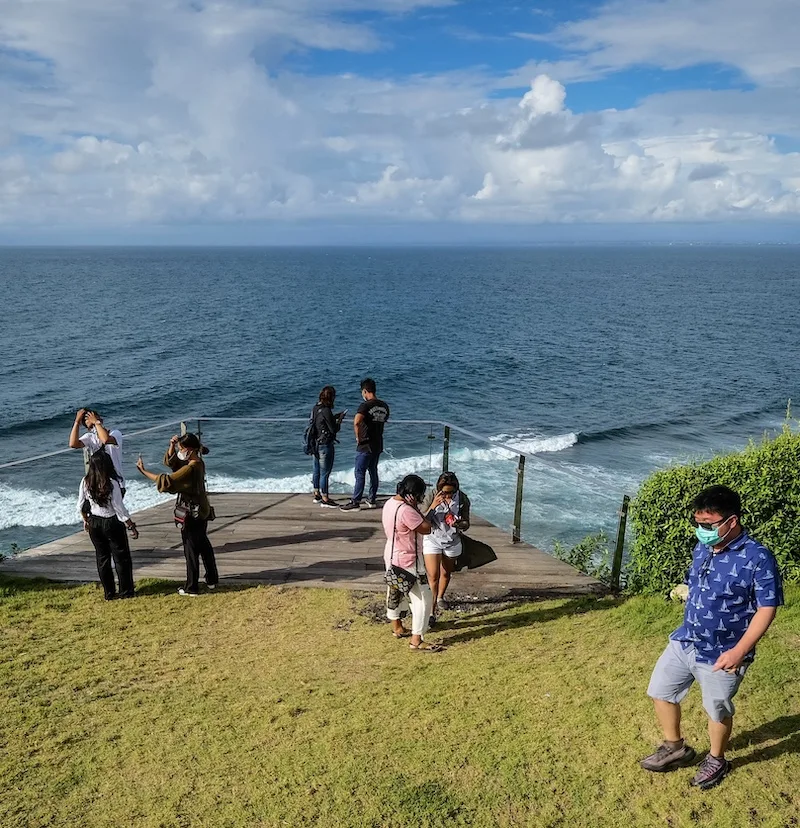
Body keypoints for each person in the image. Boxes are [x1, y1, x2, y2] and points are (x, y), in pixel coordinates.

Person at [640, 485, 783, 790]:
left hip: (724, 653)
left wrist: (739, 651)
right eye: (698, 524)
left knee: (716, 709)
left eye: (709, 525)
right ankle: (675, 748)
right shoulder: (703, 547)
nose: (702, 531)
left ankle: (717, 759)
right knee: (660, 691)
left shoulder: (757, 557)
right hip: (686, 640)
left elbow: (766, 608)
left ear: (732, 521)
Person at [136, 433, 219, 597]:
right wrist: (172, 446)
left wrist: (143, 471)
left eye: (181, 449)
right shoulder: (198, 462)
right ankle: (211, 579)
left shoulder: (190, 468)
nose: (179, 452)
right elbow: (173, 463)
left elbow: (168, 481)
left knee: (190, 549)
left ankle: (192, 587)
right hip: (202, 510)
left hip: (191, 513)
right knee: (204, 546)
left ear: (188, 449)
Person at [383, 474, 441, 652]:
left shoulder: (390, 503)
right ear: (413, 495)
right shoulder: (407, 510)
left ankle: (397, 626)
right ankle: (417, 639)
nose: (421, 498)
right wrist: (423, 508)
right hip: (410, 561)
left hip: (392, 554)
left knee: (395, 590)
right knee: (423, 599)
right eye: (420, 495)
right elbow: (426, 528)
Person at [78, 450, 138, 600]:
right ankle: (126, 591)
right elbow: (119, 508)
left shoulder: (86, 481)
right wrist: (131, 525)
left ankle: (109, 593)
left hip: (94, 522)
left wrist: (86, 520)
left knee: (102, 557)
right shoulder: (111, 483)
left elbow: (80, 505)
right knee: (121, 558)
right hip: (111, 521)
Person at [420, 471, 471, 622]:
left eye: (451, 492)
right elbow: (421, 520)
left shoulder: (462, 499)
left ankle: (440, 596)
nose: (447, 496)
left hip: (452, 540)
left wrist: (460, 523)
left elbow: (466, 524)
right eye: (444, 492)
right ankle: (431, 611)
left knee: (446, 573)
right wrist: (433, 506)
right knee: (433, 576)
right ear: (439, 488)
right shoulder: (431, 496)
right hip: (432, 538)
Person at [340, 378, 390, 511]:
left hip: (365, 443)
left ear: (365, 391)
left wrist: (358, 437)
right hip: (378, 443)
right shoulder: (384, 405)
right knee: (373, 471)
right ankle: (372, 499)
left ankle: (355, 501)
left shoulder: (365, 406)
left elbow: (356, 421)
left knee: (360, 472)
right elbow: (384, 421)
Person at [69, 407, 126, 494]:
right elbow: (73, 444)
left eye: (95, 423)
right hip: (99, 484)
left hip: (117, 483)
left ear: (101, 421)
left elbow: (105, 439)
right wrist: (76, 422)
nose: (94, 428)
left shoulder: (115, 434)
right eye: (91, 426)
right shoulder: (90, 437)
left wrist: (96, 422)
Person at [309, 385, 346, 508]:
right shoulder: (326, 410)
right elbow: (333, 429)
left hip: (315, 443)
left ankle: (316, 494)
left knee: (316, 470)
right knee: (325, 472)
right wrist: (339, 421)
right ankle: (325, 498)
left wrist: (333, 417)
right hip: (325, 444)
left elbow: (319, 422)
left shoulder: (316, 408)